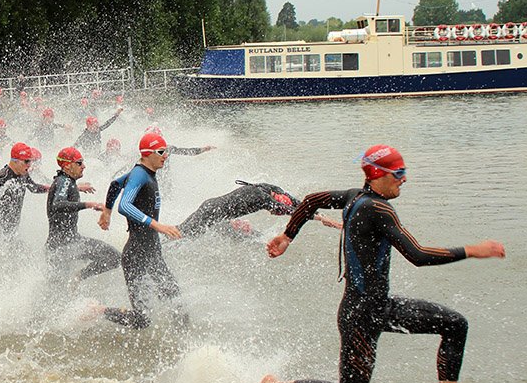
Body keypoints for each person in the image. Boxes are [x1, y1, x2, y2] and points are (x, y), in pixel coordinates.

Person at [251, 145, 503, 383]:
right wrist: (473, 250)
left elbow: (311, 200)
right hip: (365, 314)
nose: (404, 178)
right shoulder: (378, 208)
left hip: (368, 308)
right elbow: (417, 255)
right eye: (398, 172)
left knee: (455, 325)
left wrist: (287, 236)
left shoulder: (354, 197)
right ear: (375, 173)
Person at [93, 132, 183, 329]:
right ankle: (98, 311)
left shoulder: (146, 173)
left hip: (151, 252)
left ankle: (184, 351)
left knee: (177, 303)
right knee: (142, 320)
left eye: (166, 151)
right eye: (161, 151)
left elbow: (115, 184)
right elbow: (124, 206)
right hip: (136, 255)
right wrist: (158, 225)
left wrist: (106, 212)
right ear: (148, 153)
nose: (165, 155)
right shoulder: (140, 175)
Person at [46, 147, 118, 290]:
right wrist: (89, 204)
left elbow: (60, 189)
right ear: (67, 166)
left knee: (57, 291)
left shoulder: (66, 181)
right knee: (114, 257)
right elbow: (57, 204)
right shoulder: (65, 182)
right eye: (79, 163)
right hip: (66, 244)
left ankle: (77, 278)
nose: (83, 166)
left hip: (60, 245)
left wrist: (76, 187)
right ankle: (79, 276)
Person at [172, 180, 342, 241]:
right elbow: (292, 211)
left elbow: (297, 204)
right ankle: (159, 237)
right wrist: (321, 220)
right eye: (275, 211)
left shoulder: (270, 188)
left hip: (216, 211)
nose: (274, 213)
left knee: (248, 234)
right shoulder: (262, 198)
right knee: (182, 235)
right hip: (211, 213)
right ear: (274, 199)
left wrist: (320, 214)